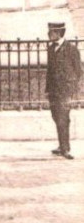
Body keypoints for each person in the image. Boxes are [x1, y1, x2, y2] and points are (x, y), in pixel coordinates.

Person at [45, 20, 82, 159]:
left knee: (63, 118)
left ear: (59, 33)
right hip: (54, 90)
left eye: (51, 32)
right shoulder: (50, 49)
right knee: (56, 116)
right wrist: (47, 89)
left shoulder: (71, 49)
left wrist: (70, 87)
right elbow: (50, 71)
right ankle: (61, 145)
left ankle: (65, 148)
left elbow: (79, 70)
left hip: (65, 90)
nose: (49, 34)